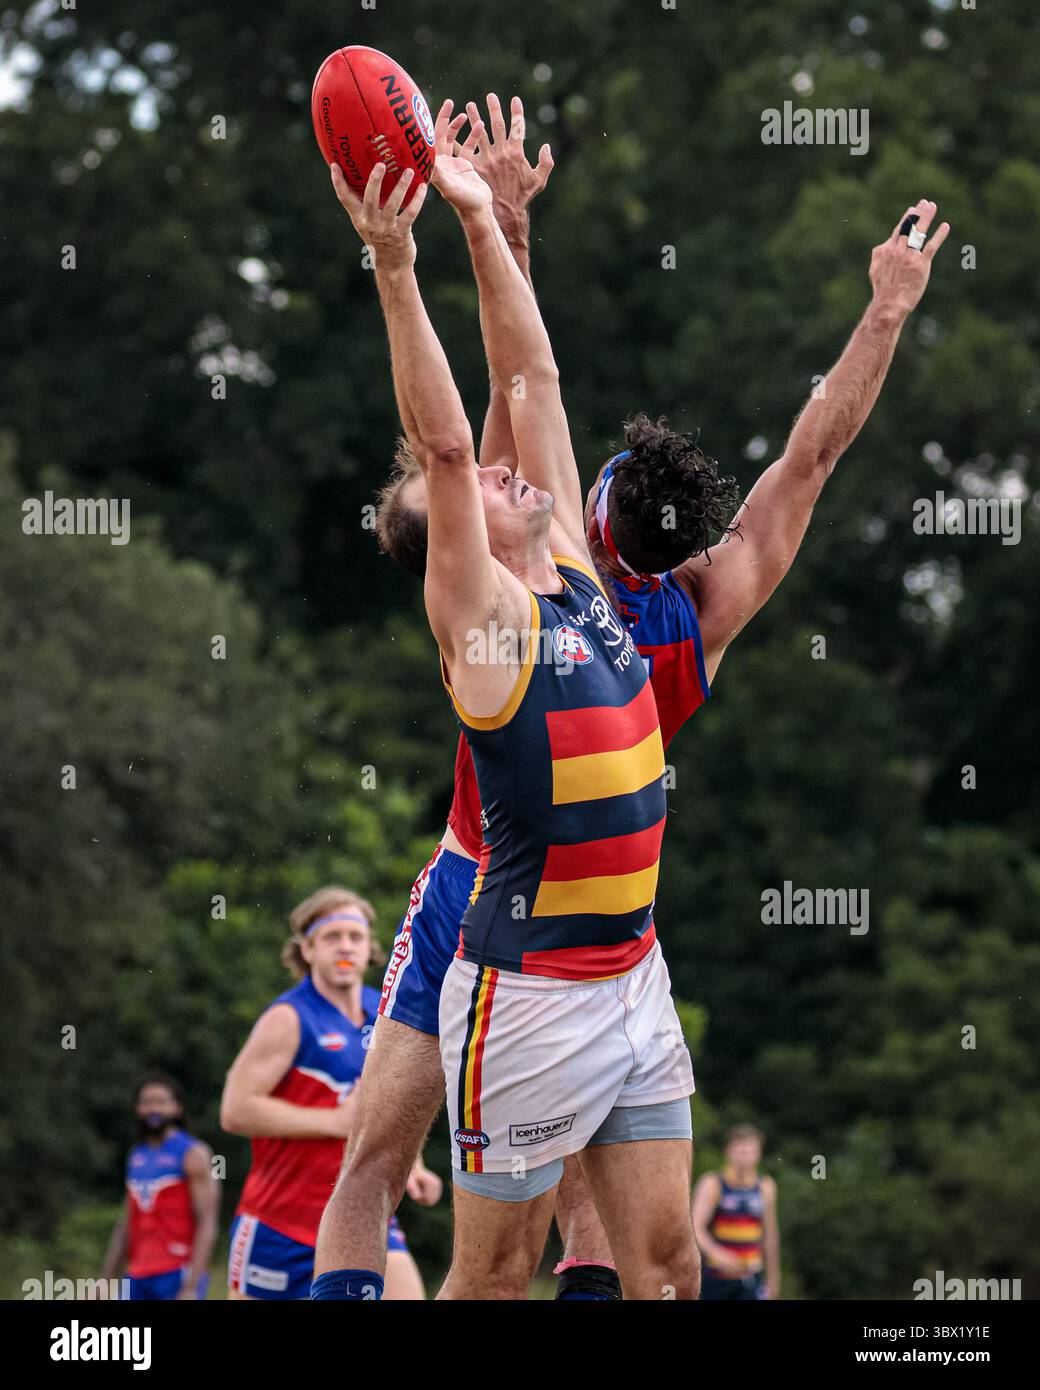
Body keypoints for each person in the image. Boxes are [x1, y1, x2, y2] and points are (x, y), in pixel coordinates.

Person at [315, 88, 951, 1300]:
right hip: (504, 908)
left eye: (552, 479)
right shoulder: (570, 599)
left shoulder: (586, 573)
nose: (530, 472)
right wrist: (430, 244)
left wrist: (478, 228)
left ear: (592, 517)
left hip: (609, 944)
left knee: (638, 1257)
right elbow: (496, 422)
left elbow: (521, 393)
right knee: (436, 1204)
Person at [312, 101, 700, 1303]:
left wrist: (486, 224)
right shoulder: (487, 626)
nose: (496, 465)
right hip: (525, 988)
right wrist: (393, 261)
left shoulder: (574, 570)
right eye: (472, 484)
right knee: (492, 1276)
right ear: (458, 546)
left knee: (670, 1264)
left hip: (629, 968)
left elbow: (528, 370)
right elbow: (438, 445)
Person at [221, 886, 440, 1299]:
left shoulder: (386, 1014)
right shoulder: (288, 1018)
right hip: (280, 1223)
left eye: (355, 937)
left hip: (366, 1217)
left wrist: (415, 1167)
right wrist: (333, 1122)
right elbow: (235, 1110)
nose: (345, 947)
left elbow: (387, 1106)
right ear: (307, 949)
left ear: (370, 947)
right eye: (332, 937)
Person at [101, 1072, 219, 1300]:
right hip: (137, 1273)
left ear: (177, 1108)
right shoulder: (136, 1155)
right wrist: (105, 1279)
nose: (153, 1109)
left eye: (161, 1102)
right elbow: (126, 1220)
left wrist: (192, 1286)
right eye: (147, 1102)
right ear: (137, 1109)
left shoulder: (193, 1153)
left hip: (177, 1272)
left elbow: (207, 1221)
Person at [693, 1125, 779, 1300]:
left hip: (751, 1278)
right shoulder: (713, 1184)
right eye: (739, 1149)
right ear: (728, 1151)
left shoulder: (765, 1186)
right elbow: (695, 1227)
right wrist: (716, 1253)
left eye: (749, 1150)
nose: (744, 1155)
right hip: (717, 1278)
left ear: (758, 1153)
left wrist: (774, 1280)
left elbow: (770, 1235)